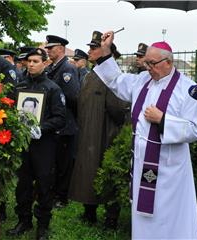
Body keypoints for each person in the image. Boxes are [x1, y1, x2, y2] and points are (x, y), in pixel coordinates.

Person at [93, 31, 197, 239]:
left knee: (168, 217)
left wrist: (163, 119)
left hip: (170, 171)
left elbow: (195, 129)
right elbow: (116, 80)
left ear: (169, 62)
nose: (148, 67)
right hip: (143, 162)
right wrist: (106, 51)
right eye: (147, 63)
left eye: (152, 64)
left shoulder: (188, 89)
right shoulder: (143, 81)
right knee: (144, 217)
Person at [69, 31, 128, 228]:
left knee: (107, 175)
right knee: (87, 173)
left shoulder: (112, 77)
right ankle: (89, 213)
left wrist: (106, 130)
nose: (89, 51)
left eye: (94, 48)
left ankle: (111, 219)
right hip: (87, 134)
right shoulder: (90, 74)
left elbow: (119, 109)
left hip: (104, 135)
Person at [7, 48, 66, 240]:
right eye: (29, 61)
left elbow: (60, 118)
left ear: (45, 63)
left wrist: (42, 128)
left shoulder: (53, 88)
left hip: (44, 145)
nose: (31, 64)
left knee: (44, 185)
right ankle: (24, 220)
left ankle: (42, 226)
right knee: (22, 184)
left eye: (35, 61)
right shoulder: (20, 87)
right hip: (23, 144)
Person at [45, 34, 80, 208]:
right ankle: (54, 193)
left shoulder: (66, 69)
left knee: (64, 164)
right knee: (55, 162)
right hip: (55, 122)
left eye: (51, 48)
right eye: (47, 48)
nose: (48, 50)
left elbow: (73, 97)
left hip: (65, 123)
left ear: (61, 48)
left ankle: (62, 196)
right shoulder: (53, 67)